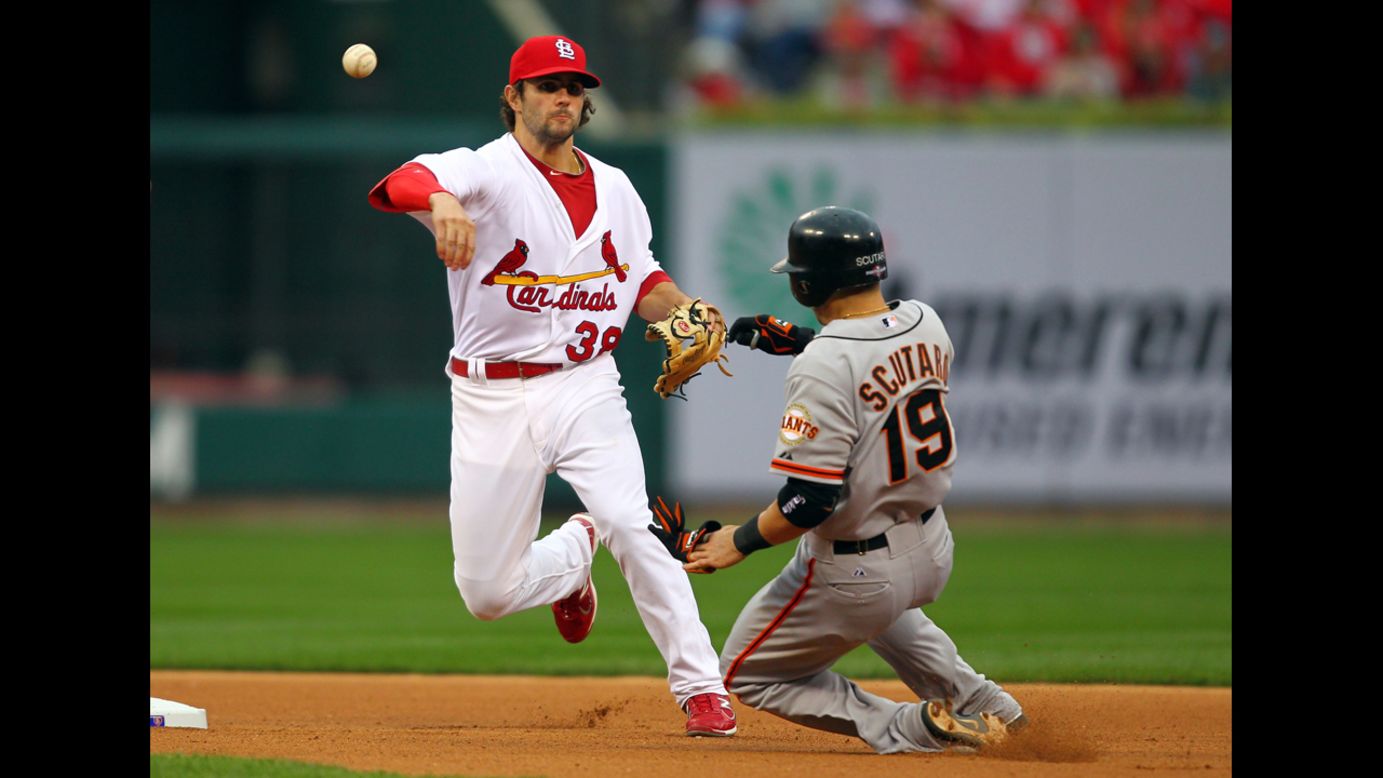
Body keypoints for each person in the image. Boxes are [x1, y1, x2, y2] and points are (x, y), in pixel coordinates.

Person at [365, 34, 737, 737]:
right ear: (514, 98)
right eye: (546, 85)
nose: (564, 96)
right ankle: (571, 560)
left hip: (584, 384)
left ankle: (700, 688)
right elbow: (401, 182)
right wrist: (442, 202)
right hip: (490, 396)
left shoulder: (618, 188)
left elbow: (641, 280)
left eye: (573, 85)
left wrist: (683, 310)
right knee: (486, 592)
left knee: (634, 523)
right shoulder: (484, 173)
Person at [680, 206, 1025, 753]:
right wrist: (801, 339)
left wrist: (738, 541)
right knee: (882, 613)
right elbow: (871, 352)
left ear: (811, 281)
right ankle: (986, 706)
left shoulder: (821, 365)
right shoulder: (926, 321)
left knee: (747, 673)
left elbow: (811, 499)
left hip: (857, 567)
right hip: (931, 546)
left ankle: (911, 728)